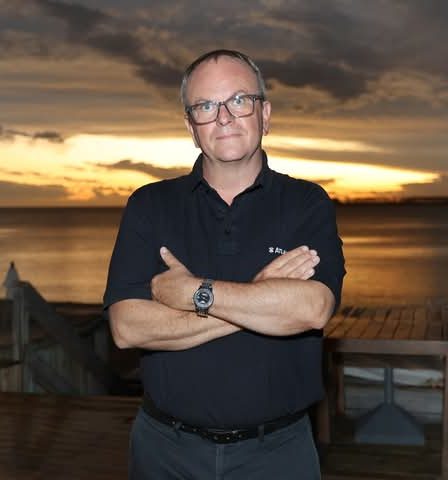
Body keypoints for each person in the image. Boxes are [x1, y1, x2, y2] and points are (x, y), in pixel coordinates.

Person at [104, 49, 345, 479]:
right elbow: (127, 328)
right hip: (164, 451)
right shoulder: (149, 205)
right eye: (205, 106)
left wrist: (194, 293)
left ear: (265, 114)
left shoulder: (306, 203)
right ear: (191, 127)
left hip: (277, 454)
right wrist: (260, 294)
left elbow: (312, 309)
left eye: (239, 100)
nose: (224, 117)